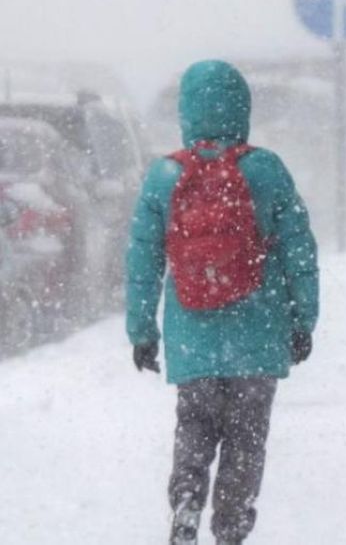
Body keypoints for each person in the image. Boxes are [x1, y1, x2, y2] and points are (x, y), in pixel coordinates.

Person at [126, 60, 319, 545]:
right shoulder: (266, 169)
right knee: (246, 439)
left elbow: (143, 261)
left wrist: (142, 331)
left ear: (187, 111)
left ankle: (187, 501)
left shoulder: (164, 175)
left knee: (194, 425)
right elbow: (299, 250)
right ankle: (231, 528)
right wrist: (303, 319)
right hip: (257, 335)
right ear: (242, 106)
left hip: (193, 338)